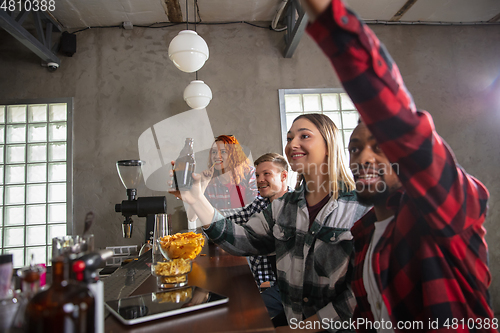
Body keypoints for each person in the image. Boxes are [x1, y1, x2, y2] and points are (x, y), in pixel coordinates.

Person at [303, 0, 495, 331]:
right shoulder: (363, 236)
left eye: (381, 147)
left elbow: (404, 127)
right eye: (356, 149)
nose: (363, 158)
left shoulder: (444, 213)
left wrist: (328, 15)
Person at [174, 113, 371, 332]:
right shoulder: (282, 207)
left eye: (304, 136)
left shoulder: (362, 208)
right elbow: (240, 240)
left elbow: (361, 293)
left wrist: (300, 330)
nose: (292, 144)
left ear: (329, 145)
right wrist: (196, 198)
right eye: (289, 138)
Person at [219, 153, 290, 321]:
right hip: (266, 283)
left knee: (241, 315)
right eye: (257, 175)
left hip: (291, 288)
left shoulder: (298, 205)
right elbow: (227, 223)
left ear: (284, 175)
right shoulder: (258, 204)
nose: (260, 179)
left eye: (267, 174)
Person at [204, 134, 258, 209]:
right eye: (214, 152)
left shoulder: (249, 173)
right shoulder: (208, 182)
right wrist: (202, 185)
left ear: (234, 155)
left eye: (223, 152)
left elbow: (255, 206)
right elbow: (195, 216)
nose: (216, 156)